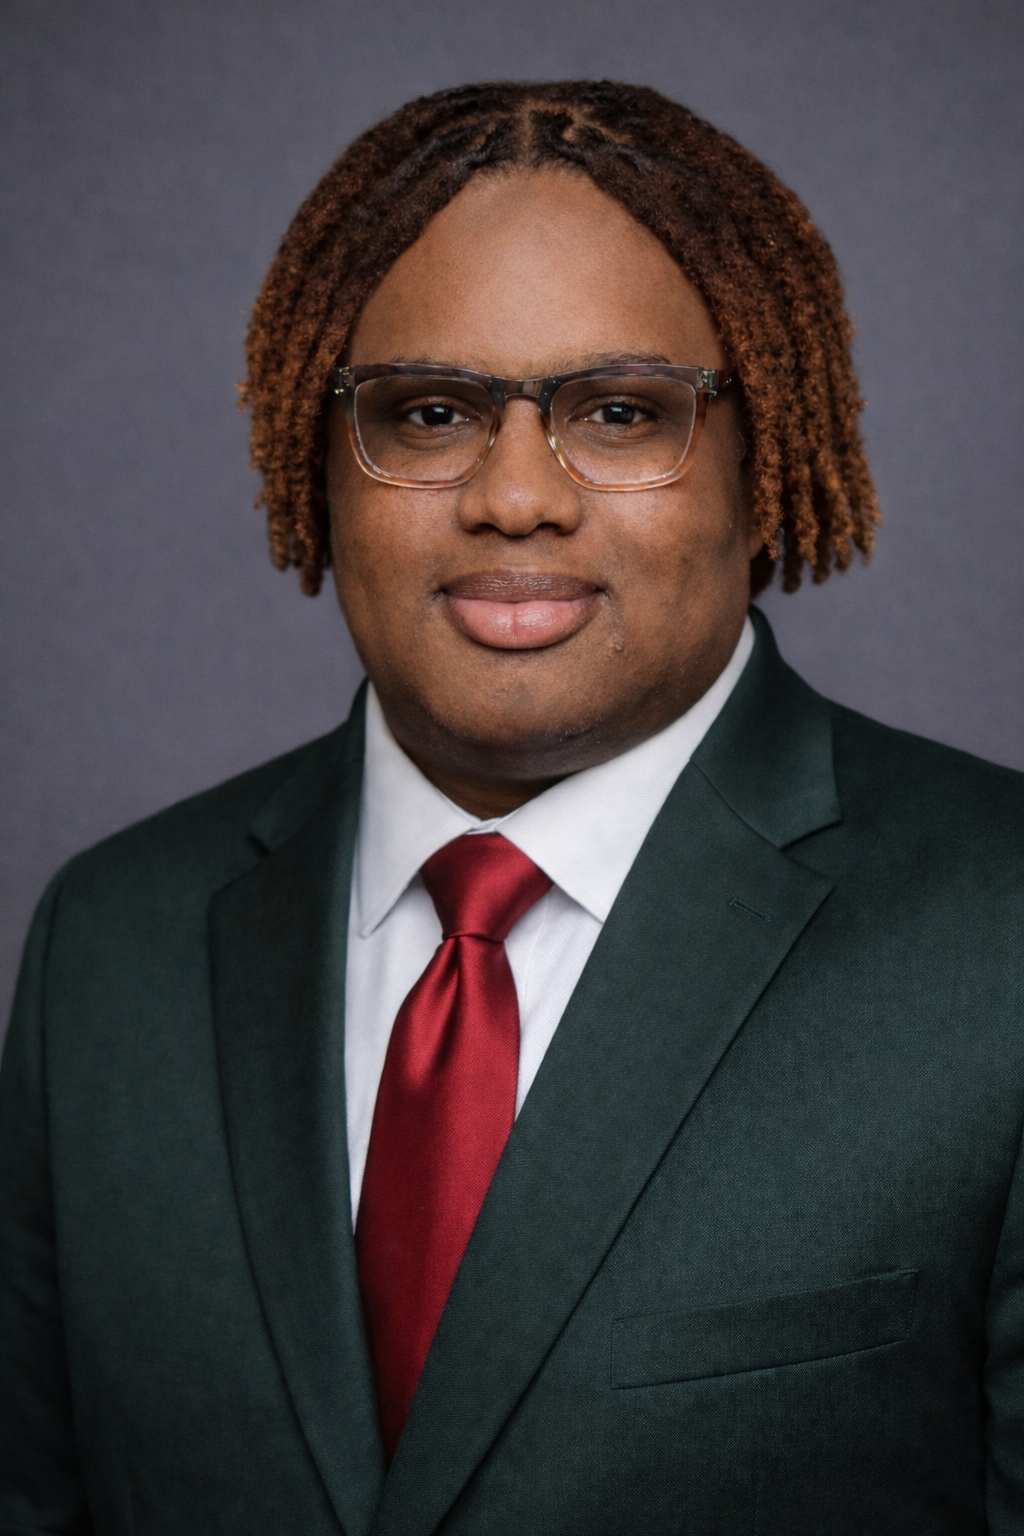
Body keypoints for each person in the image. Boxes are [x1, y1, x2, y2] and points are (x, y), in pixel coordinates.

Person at [1, 79, 1022, 1536]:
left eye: (622, 411)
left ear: (766, 462)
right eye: (431, 413)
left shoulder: (1001, 936)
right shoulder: (110, 944)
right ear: (315, 461)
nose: (517, 496)